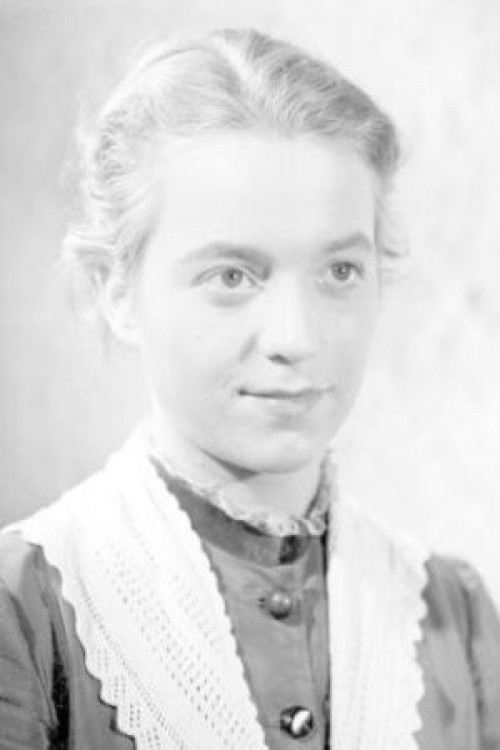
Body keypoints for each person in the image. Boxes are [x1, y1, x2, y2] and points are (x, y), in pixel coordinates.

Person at [0, 27, 499, 750]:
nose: (296, 337)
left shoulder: (456, 621)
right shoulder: (27, 612)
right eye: (231, 276)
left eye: (339, 272)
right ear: (117, 290)